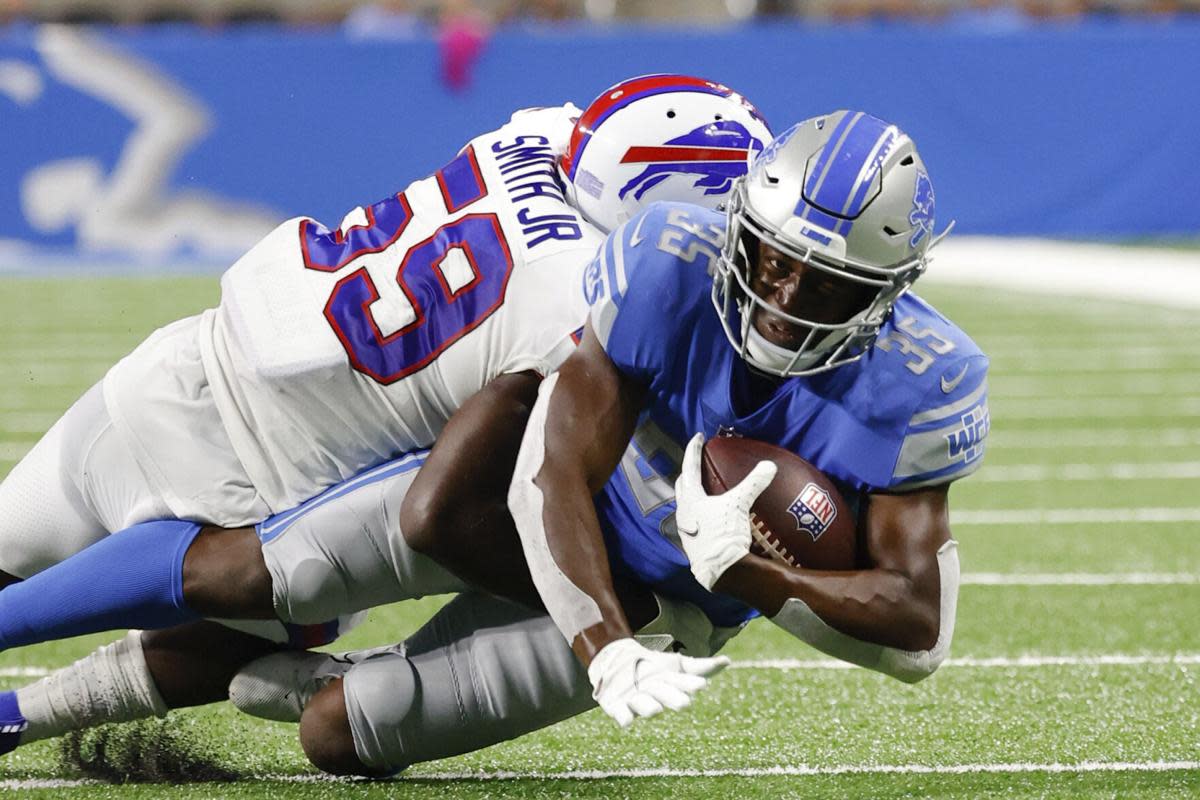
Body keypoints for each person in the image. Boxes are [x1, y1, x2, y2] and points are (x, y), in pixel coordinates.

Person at [0, 76, 771, 758]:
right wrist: (608, 615)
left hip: (192, 361)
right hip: (280, 479)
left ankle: (11, 717)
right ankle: (14, 718)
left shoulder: (537, 133)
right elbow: (484, 498)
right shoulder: (584, 309)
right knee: (248, 618)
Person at [506, 110, 989, 726]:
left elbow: (919, 634)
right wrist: (605, 650)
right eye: (777, 261)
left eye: (827, 285)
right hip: (538, 515)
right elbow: (549, 470)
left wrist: (745, 573)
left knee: (349, 730)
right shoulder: (669, 258)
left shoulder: (921, 381)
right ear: (744, 229)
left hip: (664, 607)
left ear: (881, 295)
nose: (785, 299)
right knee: (402, 525)